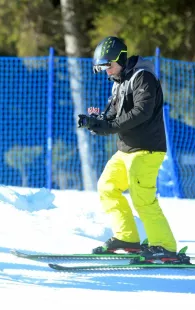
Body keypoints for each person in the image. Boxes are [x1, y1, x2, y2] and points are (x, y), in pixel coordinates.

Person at [78, 36, 178, 262]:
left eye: (109, 66)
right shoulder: (119, 82)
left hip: (147, 149)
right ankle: (127, 238)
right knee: (107, 187)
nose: (107, 72)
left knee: (142, 198)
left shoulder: (143, 77)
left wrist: (109, 125)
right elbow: (112, 117)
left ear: (121, 59)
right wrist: (96, 122)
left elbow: (142, 111)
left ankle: (165, 247)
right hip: (126, 150)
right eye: (103, 68)